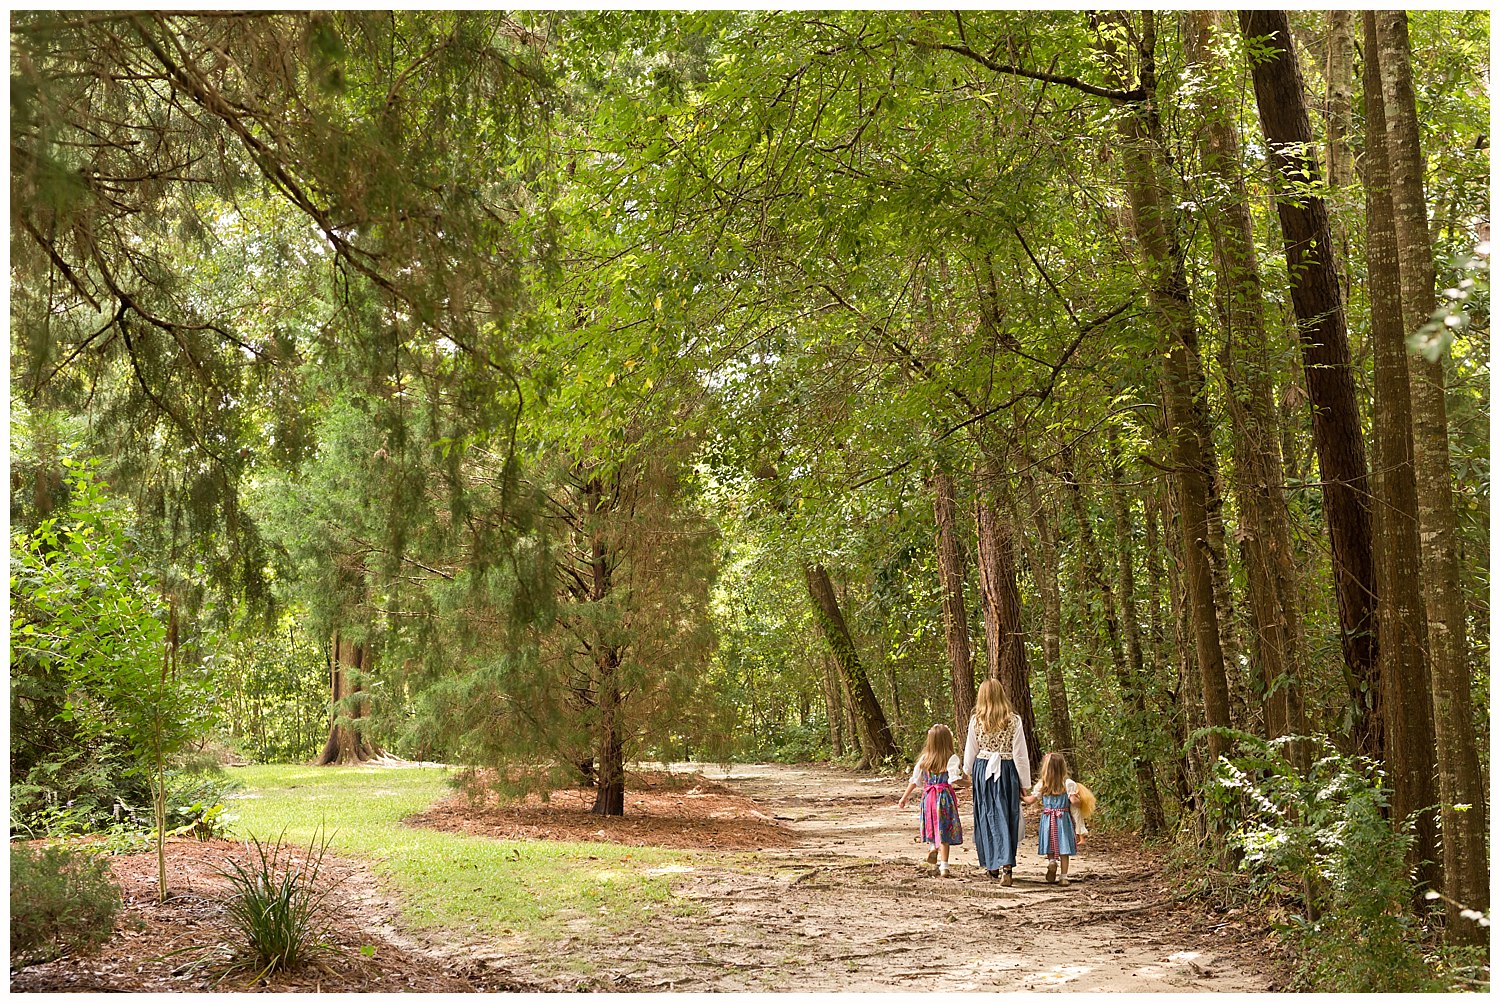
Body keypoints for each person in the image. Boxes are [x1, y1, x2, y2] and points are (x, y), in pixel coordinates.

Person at [962, 679, 1030, 885]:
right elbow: (1020, 754)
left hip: (984, 770)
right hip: (1007, 770)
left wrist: (967, 773)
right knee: (1006, 814)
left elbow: (970, 751)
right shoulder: (1013, 720)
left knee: (987, 814)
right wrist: (1024, 782)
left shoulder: (977, 720)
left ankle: (993, 864)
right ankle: (1006, 866)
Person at [897, 723, 964, 877]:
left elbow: (914, 781)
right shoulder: (951, 758)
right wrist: (968, 782)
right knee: (944, 828)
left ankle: (933, 847)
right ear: (948, 740)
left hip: (928, 798)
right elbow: (954, 779)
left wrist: (904, 798)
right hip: (944, 798)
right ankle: (944, 866)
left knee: (933, 825)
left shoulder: (924, 759)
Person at [1023, 752, 1080, 886]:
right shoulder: (1068, 784)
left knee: (1050, 843)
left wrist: (1021, 796)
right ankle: (1064, 877)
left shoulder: (1042, 784)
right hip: (1063, 819)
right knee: (1064, 847)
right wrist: (1079, 799)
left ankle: (1051, 862)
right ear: (1063, 767)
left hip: (1048, 819)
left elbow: (1030, 800)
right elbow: (1074, 802)